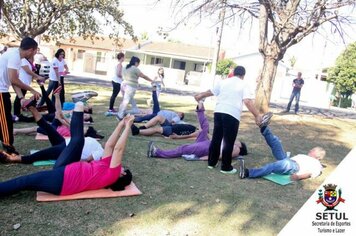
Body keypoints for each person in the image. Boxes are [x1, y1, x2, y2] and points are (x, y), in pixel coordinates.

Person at [0, 102, 134, 197]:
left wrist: (128, 127)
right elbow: (110, 145)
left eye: (123, 169)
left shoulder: (112, 174)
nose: (122, 167)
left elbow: (118, 150)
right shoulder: (106, 165)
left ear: (122, 174)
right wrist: (121, 124)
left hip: (63, 181)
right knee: (77, 141)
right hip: (66, 168)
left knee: (24, 181)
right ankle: (78, 109)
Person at [194, 66, 268, 175]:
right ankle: (226, 167)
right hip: (232, 114)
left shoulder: (224, 82)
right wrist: (257, 115)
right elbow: (247, 101)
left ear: (233, 73)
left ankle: (211, 163)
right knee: (229, 141)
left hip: (219, 111)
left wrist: (201, 95)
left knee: (216, 138)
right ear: (243, 75)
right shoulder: (244, 84)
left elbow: (211, 91)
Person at [1, 99, 103, 164]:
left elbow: (85, 161)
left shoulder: (101, 153)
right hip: (64, 143)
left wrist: (68, 159)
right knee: (48, 128)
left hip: (66, 151)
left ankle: (11, 158)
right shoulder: (96, 143)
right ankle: (32, 108)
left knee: (39, 155)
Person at [147, 101, 248, 160]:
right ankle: (200, 109)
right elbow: (214, 139)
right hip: (207, 142)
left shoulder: (236, 149)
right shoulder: (229, 142)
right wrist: (204, 132)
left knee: (183, 149)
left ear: (240, 146)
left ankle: (157, 153)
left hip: (207, 148)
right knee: (205, 127)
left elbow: (220, 156)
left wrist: (203, 158)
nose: (236, 140)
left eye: (238, 141)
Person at [0, 37, 41, 155]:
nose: (34, 54)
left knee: (5, 119)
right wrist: (32, 90)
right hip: (1, 92)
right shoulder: (15, 57)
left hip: (3, 91)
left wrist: (21, 98)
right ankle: (9, 148)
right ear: (30, 50)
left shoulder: (15, 55)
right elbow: (14, 79)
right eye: (35, 52)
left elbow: (12, 81)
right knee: (5, 121)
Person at [239, 125, 325, 181]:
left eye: (313, 150)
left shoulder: (316, 164)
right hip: (288, 160)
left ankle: (248, 173)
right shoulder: (306, 156)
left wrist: (298, 177)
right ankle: (264, 128)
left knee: (273, 166)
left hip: (294, 167)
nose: (310, 150)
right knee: (276, 143)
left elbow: (310, 174)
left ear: (318, 156)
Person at [13, 56, 45, 122]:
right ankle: (16, 114)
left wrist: (36, 74)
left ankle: (18, 113)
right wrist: (38, 76)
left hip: (25, 82)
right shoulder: (24, 60)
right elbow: (27, 71)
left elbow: (31, 72)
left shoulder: (29, 62)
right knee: (19, 98)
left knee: (21, 97)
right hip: (22, 82)